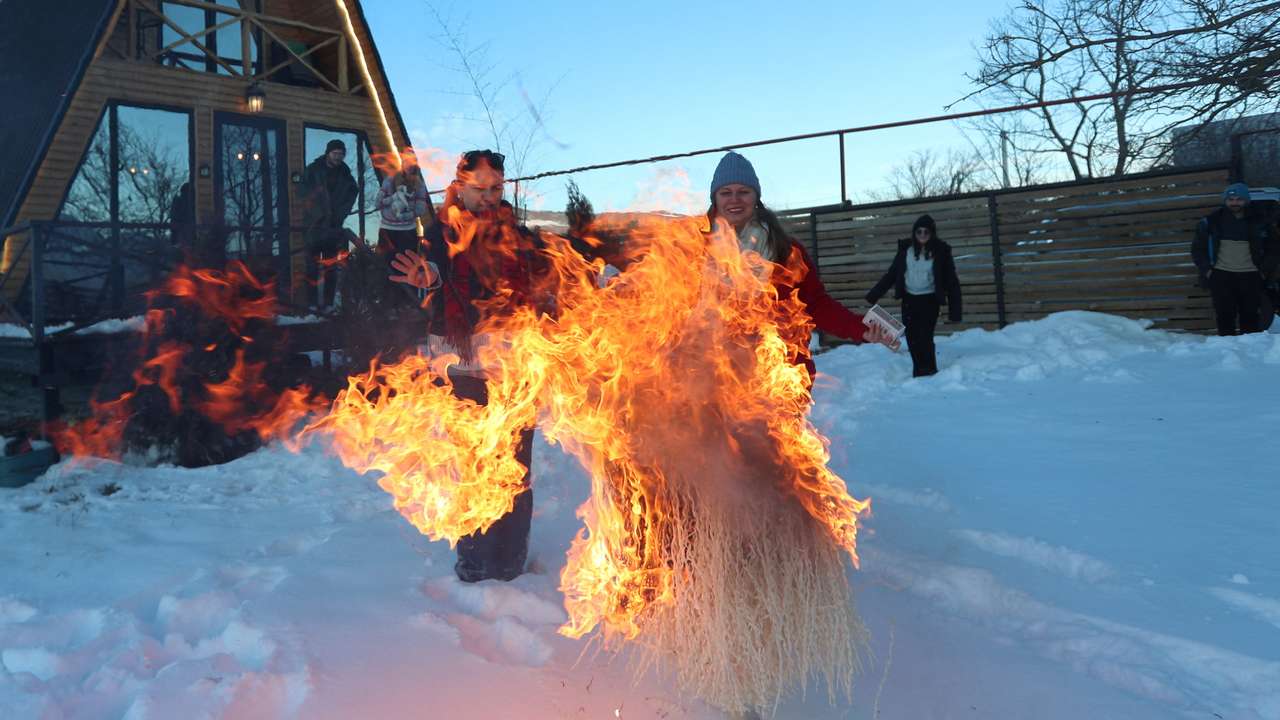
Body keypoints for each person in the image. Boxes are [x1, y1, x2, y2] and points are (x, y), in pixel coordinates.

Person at [389, 149, 539, 584]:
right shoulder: (438, 233)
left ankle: (511, 560)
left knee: (516, 469)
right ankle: (474, 561)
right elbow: (433, 272)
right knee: (474, 465)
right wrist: (429, 279)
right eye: (480, 189)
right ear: (460, 186)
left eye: (496, 188)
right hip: (463, 368)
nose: (489, 197)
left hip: (514, 367)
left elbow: (538, 287)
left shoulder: (517, 234)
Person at [705, 151, 900, 376]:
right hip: (715, 380)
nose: (734, 199)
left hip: (778, 378)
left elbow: (816, 304)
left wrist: (861, 329)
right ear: (715, 199)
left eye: (743, 192)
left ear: (756, 197)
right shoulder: (691, 249)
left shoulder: (786, 250)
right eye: (726, 192)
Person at [865, 213, 963, 377]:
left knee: (925, 335)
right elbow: (892, 274)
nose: (923, 235)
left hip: (930, 300)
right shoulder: (906, 251)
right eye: (919, 232)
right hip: (909, 299)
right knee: (912, 337)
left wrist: (955, 311)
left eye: (926, 232)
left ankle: (930, 369)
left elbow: (952, 281)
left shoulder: (941, 251)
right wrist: (874, 294)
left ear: (932, 233)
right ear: (914, 233)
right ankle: (919, 371)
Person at [1191, 182, 1280, 336]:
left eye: (1239, 199)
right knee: (1225, 316)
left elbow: (1274, 249)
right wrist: (1207, 271)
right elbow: (1198, 250)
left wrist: (1263, 271)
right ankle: (1227, 352)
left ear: (1246, 200)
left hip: (1251, 275)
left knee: (1250, 316)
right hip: (1221, 275)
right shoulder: (1211, 222)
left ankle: (1249, 352)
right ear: (1225, 200)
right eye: (1231, 199)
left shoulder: (1261, 222)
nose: (1235, 203)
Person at [301, 139, 359, 310]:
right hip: (313, 225)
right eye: (335, 153)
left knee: (331, 267)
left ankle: (327, 304)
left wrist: (340, 214)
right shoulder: (313, 170)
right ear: (328, 153)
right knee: (311, 266)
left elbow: (352, 194)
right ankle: (311, 305)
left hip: (333, 226)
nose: (338, 157)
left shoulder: (346, 175)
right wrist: (317, 213)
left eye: (341, 154)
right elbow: (303, 192)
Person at [374, 149, 429, 256]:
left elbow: (421, 208)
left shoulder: (420, 185)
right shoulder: (389, 181)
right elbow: (377, 203)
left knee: (407, 265)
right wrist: (392, 198)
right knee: (385, 266)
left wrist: (405, 215)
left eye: (412, 161)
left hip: (408, 232)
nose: (409, 164)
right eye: (407, 161)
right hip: (387, 231)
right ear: (402, 162)